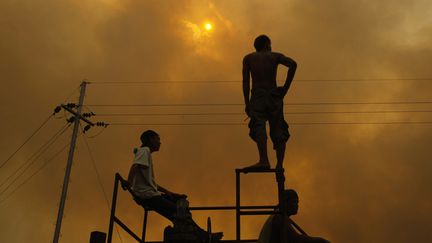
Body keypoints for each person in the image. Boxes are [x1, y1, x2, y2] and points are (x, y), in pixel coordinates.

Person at [123, 130, 223, 241]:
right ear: (150, 139)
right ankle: (204, 236)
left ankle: (200, 235)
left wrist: (170, 193)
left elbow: (151, 183)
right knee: (179, 211)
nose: (160, 142)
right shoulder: (144, 150)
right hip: (148, 196)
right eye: (158, 139)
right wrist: (129, 182)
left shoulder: (145, 154)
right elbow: (135, 166)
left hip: (151, 194)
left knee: (177, 211)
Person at [242, 34, 297, 170]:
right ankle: (279, 164)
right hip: (274, 96)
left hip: (258, 96)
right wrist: (285, 89)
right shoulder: (275, 56)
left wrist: (247, 103)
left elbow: (245, 82)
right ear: (267, 44)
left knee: (259, 126)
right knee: (279, 128)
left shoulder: (249, 58)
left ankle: (264, 160)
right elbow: (293, 64)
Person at [258, 189, 330, 243]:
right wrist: (320, 241)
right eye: (294, 202)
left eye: (297, 202)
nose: (297, 205)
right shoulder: (279, 216)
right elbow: (295, 239)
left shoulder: (277, 215)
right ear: (285, 202)